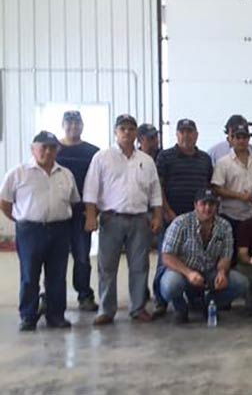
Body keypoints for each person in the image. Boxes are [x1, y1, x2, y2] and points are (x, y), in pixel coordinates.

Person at [84, 114, 163, 326]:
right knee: (107, 267)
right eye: (123, 129)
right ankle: (106, 310)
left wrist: (156, 215)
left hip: (140, 219)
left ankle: (137, 308)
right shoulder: (102, 157)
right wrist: (91, 216)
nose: (127, 132)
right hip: (111, 219)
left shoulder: (145, 161)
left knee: (140, 266)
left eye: (131, 129)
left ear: (136, 133)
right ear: (115, 132)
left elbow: (155, 191)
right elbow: (91, 189)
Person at [2, 131, 80, 331]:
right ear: (33, 149)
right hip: (30, 231)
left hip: (60, 230)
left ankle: (56, 315)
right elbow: (5, 202)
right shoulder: (18, 173)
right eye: (43, 147)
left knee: (57, 275)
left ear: (58, 150)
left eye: (52, 147)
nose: (47, 151)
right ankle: (28, 315)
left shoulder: (66, 174)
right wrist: (20, 219)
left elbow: (73, 200)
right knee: (30, 275)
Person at [158, 188, 249, 324]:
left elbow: (226, 256)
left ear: (217, 206)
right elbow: (167, 256)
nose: (207, 208)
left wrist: (222, 273)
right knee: (171, 286)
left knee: (241, 283)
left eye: (211, 204)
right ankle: (180, 308)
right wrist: (189, 273)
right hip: (183, 271)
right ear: (195, 205)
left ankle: (209, 303)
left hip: (209, 271)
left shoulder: (225, 226)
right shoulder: (180, 223)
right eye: (203, 204)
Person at [153, 118, 214, 317]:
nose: (186, 136)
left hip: (199, 218)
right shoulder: (165, 157)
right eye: (182, 132)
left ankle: (194, 296)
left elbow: (208, 188)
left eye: (190, 132)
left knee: (195, 257)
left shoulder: (205, 159)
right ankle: (161, 300)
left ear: (196, 135)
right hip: (172, 216)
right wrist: (166, 210)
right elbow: (159, 186)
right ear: (177, 135)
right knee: (166, 258)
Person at [55, 110, 100, 312]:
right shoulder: (53, 149)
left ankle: (84, 295)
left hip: (82, 213)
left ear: (82, 125)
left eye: (77, 123)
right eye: (69, 123)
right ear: (63, 125)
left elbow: (100, 183)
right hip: (57, 214)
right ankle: (52, 297)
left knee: (82, 257)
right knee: (55, 258)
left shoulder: (92, 152)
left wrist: (94, 211)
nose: (73, 127)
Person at [211, 123, 252, 241]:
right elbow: (216, 188)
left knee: (251, 254)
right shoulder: (223, 163)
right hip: (230, 216)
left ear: (249, 139)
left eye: (245, 137)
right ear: (231, 139)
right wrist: (240, 196)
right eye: (238, 137)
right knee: (230, 254)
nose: (241, 141)